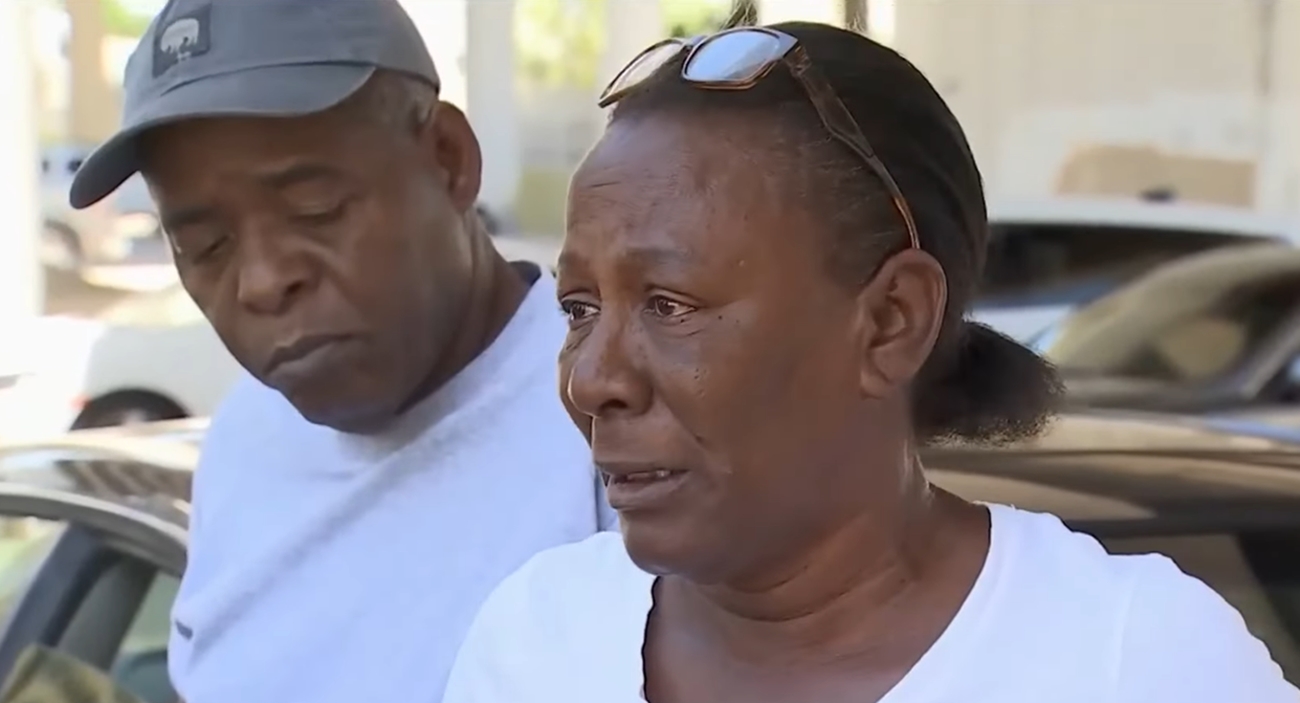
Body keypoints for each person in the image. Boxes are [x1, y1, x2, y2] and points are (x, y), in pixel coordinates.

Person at [442, 22, 1300, 703]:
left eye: (670, 305)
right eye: (579, 309)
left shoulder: (1131, 660)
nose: (592, 380)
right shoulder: (539, 637)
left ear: (891, 321)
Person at [67, 2, 615, 702]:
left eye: (315, 207)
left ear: (448, 160)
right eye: (204, 246)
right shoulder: (243, 443)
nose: (264, 281)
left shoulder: (618, 418)